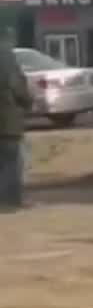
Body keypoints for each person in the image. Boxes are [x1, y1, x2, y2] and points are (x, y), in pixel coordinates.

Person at [0, 39, 32, 212]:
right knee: (12, 161)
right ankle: (9, 202)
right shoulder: (4, 55)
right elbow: (18, 86)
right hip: (6, 122)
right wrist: (28, 102)